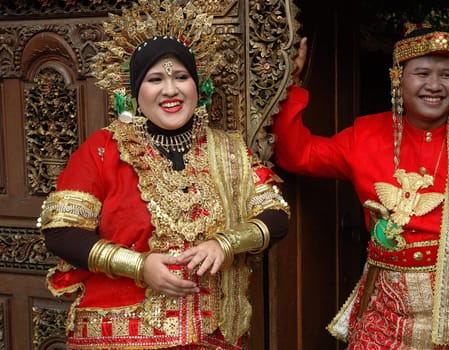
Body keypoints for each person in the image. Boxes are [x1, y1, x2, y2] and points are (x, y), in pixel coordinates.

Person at [37, 1, 289, 349]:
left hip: (211, 334)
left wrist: (226, 244)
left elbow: (276, 216)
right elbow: (61, 233)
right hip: (122, 335)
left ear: (198, 86)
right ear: (135, 92)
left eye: (181, 77)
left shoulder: (230, 151)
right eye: (155, 79)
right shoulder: (103, 150)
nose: (171, 90)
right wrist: (139, 266)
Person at [272, 23, 449, 349]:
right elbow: (298, 155)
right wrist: (290, 83)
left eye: (446, 75)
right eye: (421, 73)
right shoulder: (365, 135)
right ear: (398, 78)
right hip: (384, 317)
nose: (434, 85)